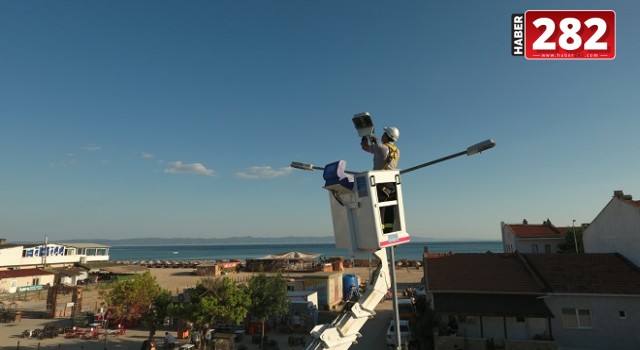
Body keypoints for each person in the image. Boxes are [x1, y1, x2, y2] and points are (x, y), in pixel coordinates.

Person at [361, 126, 400, 232]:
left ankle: (379, 232)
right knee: (389, 210)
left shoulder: (381, 148)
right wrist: (374, 140)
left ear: (388, 136)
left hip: (381, 183)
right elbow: (379, 147)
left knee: (379, 210)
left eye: (384, 134)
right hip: (392, 184)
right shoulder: (396, 151)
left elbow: (365, 147)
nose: (382, 135)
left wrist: (364, 135)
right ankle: (388, 232)